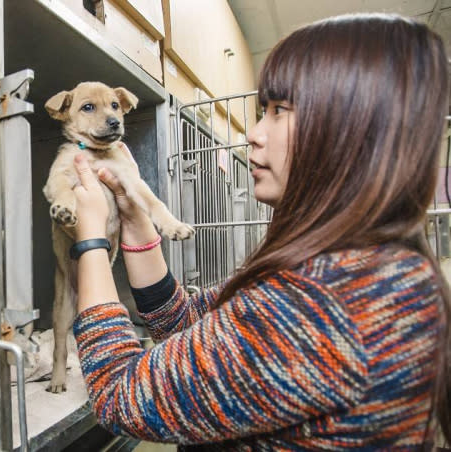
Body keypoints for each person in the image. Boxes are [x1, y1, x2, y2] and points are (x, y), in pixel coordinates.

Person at [68, 13, 451, 449]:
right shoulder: (355, 263)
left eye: (279, 111)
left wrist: (93, 239)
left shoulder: (321, 304)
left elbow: (118, 393)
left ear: (353, 129)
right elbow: (183, 322)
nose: (253, 134)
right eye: (261, 112)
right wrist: (136, 218)